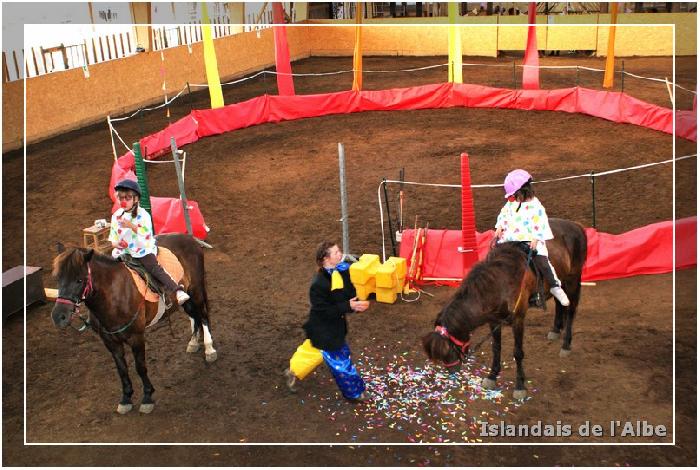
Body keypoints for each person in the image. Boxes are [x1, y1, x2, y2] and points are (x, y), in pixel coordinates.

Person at [283, 241, 371, 402]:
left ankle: (293, 371)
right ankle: (355, 393)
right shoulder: (318, 285)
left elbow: (349, 294)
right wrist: (348, 305)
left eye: (339, 251)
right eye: (336, 252)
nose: (340, 254)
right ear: (326, 259)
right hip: (325, 330)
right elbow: (323, 311)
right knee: (341, 362)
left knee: (313, 351)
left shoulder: (343, 270)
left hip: (332, 327)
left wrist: (355, 304)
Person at [493, 169, 571, 306]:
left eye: (513, 196)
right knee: (494, 255)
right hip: (511, 237)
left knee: (542, 262)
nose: (511, 199)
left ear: (522, 192)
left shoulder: (536, 206)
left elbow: (540, 222)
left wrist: (535, 238)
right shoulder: (511, 203)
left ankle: (554, 287)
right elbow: (504, 214)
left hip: (530, 239)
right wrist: (499, 226)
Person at [109, 179, 190, 305]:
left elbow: (146, 235)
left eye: (127, 198)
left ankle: (177, 290)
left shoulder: (143, 215)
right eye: (120, 198)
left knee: (154, 268)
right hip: (122, 252)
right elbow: (113, 239)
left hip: (141, 250)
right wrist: (118, 244)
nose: (123, 201)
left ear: (136, 199)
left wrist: (131, 225)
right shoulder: (116, 215)